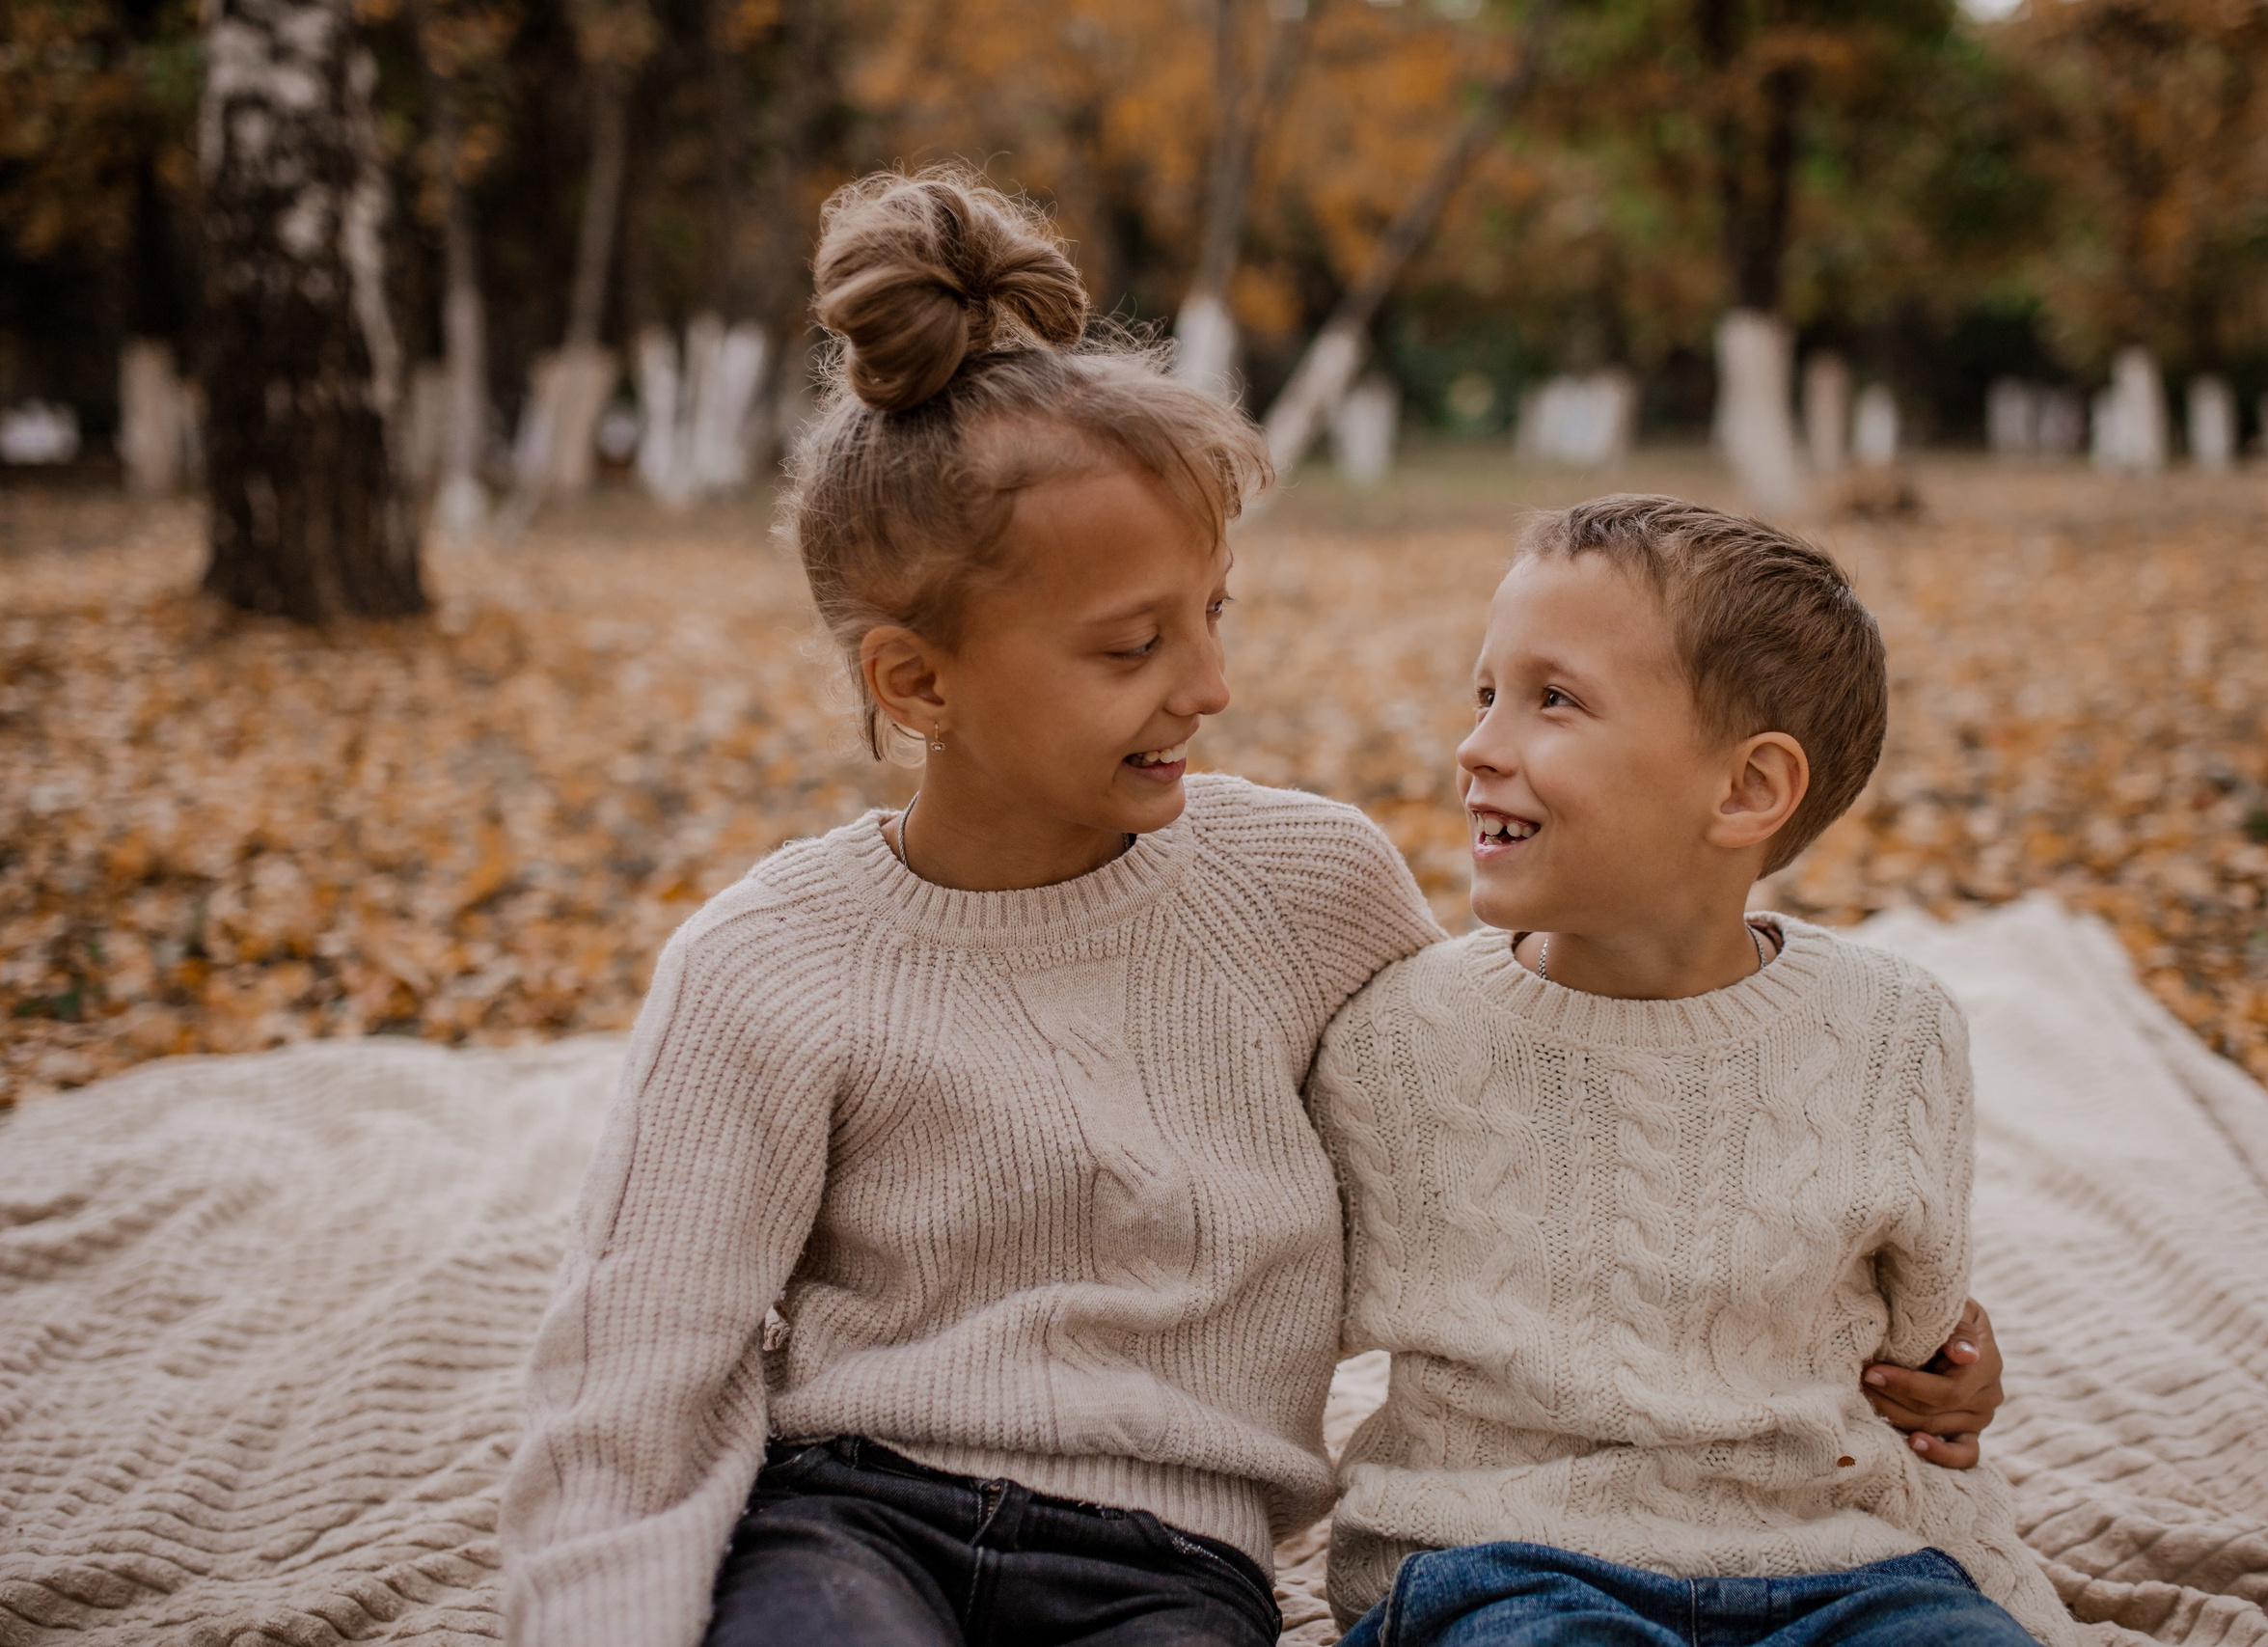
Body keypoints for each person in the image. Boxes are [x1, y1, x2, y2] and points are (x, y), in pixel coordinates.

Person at [498, 170, 2008, 1647]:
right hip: (851, 1508)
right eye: (1132, 645)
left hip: (1168, 1559)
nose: (1210, 685)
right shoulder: (765, 963)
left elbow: (1536, 1102)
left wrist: (1895, 1341)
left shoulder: (1307, 888)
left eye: (1211, 613)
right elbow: (637, 1370)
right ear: (918, 681)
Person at [1306, 496, 2078, 1647]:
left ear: (1747, 789)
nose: (1476, 747)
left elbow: (1918, 1340)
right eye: (1485, 695)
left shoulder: (1894, 1032)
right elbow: (1270, 1301)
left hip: (1841, 1566)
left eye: (1552, 700)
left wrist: (1960, 1374)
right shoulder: (1395, 1041)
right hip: (1505, 1563)